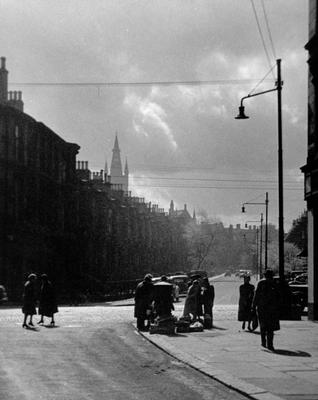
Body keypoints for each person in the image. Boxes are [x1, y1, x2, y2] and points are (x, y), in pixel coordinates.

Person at [252, 269, 280, 350]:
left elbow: (256, 295)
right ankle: (270, 344)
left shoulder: (261, 283)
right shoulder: (274, 283)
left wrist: (253, 306)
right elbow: (279, 296)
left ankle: (264, 342)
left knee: (263, 326)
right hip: (272, 308)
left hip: (262, 308)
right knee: (270, 327)